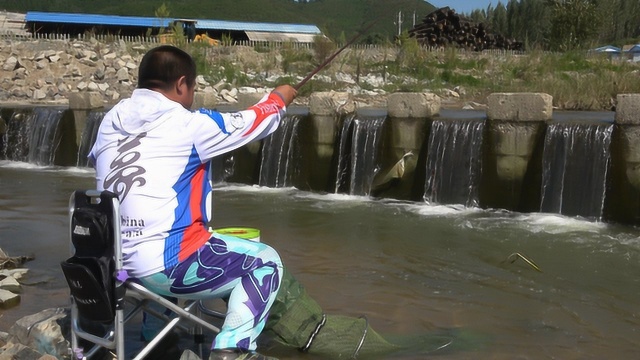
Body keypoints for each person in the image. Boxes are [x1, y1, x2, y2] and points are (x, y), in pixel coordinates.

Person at [89, 45, 297, 360]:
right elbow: (252, 123)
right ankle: (233, 348)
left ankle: (158, 340)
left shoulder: (110, 121)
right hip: (160, 269)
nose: (193, 96)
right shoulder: (190, 124)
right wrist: (278, 99)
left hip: (112, 268)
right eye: (194, 89)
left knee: (165, 236)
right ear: (182, 84)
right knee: (265, 261)